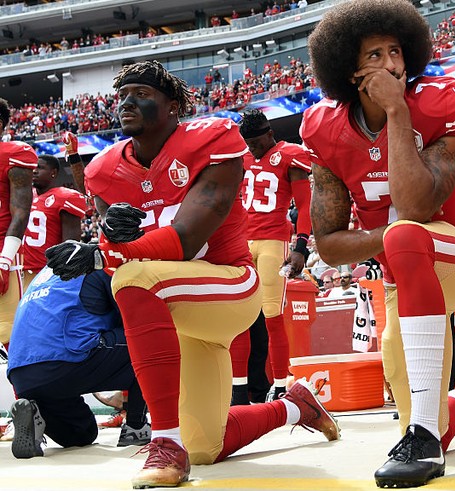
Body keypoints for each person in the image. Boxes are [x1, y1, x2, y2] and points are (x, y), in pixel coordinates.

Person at [43, 60, 339, 489]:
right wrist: (108, 246)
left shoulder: (212, 140)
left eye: (142, 94)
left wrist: (102, 255)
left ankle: (164, 442)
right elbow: (119, 250)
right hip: (178, 309)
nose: (127, 101)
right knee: (205, 446)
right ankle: (295, 407)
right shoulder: (103, 171)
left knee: (131, 279)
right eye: (123, 95)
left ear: (175, 106)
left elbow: (184, 239)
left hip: (229, 284)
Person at [303, 0, 455, 486]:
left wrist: (397, 111)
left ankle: (423, 433)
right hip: (403, 275)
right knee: (430, 423)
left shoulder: (444, 100)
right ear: (349, 70)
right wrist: (386, 241)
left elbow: (418, 206)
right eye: (375, 56)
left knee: (406, 233)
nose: (392, 64)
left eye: (396, 51)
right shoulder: (325, 127)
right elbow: (331, 245)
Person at [6, 268, 149, 458]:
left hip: (22, 375)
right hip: (64, 360)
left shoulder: (46, 275)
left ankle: (34, 413)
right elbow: (134, 318)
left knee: (83, 433)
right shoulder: (103, 267)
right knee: (149, 340)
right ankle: (136, 427)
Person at [229, 109, 313, 404]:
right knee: (238, 318)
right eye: (247, 143)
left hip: (272, 241)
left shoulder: (290, 154)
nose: (252, 148)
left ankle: (279, 383)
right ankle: (238, 389)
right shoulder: (242, 157)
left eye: (256, 142)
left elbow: (304, 206)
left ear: (269, 134)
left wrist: (301, 247)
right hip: (241, 241)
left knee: (272, 316)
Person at [0, 97, 37, 349]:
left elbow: (21, 212)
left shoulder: (14, 154)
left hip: (4, 252)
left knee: (13, 338)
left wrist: (4, 261)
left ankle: (26, 391)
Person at [20, 155, 87, 290]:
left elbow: (70, 245)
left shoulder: (65, 197)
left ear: (53, 172)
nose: (34, 171)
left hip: (46, 272)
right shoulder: (25, 195)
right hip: (20, 270)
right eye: (33, 167)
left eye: (40, 167)